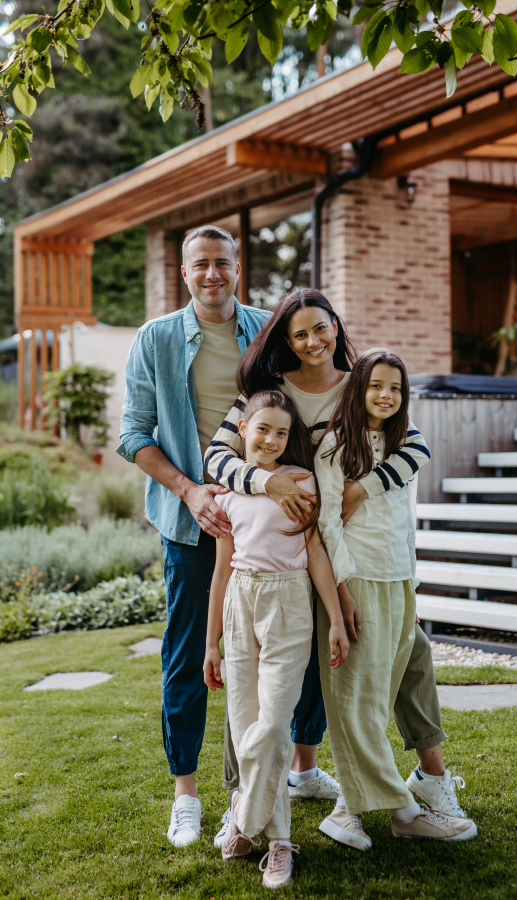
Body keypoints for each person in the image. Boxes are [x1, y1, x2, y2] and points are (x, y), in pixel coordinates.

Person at [206, 289, 473, 838]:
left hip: (346, 551)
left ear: (336, 328)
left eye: (321, 329)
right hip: (278, 552)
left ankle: (431, 776)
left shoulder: (362, 384)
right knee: (254, 674)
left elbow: (414, 447)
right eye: (299, 333)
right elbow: (216, 457)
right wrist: (268, 481)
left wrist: (365, 489)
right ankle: (243, 796)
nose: (313, 342)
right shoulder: (265, 394)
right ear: (286, 339)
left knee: (410, 651)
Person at [117, 225, 272, 847]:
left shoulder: (265, 329)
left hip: (261, 518)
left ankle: (282, 776)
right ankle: (187, 795)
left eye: (223, 263)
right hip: (191, 522)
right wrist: (189, 490)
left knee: (276, 646)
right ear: (185, 273)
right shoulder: (155, 339)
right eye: (200, 264)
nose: (213, 274)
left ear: (239, 267)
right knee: (187, 656)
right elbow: (134, 433)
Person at [203, 390, 348, 888]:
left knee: (273, 721)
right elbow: (220, 574)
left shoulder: (301, 483)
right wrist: (210, 644)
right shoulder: (227, 494)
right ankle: (280, 843)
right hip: (240, 603)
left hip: (288, 605)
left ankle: (244, 815)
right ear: (241, 429)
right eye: (261, 428)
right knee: (245, 723)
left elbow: (318, 556)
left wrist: (336, 619)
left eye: (281, 433)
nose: (270, 440)